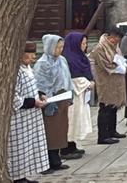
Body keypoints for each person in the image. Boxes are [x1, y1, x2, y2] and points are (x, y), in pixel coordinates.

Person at [8, 41, 50, 183]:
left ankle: (24, 174)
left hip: (30, 116)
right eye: (29, 55)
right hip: (19, 116)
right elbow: (13, 95)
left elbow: (31, 87)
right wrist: (32, 102)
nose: (32, 57)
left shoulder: (27, 68)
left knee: (28, 146)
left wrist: (40, 94)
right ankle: (17, 177)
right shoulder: (15, 71)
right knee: (18, 147)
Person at [33, 35, 72, 173]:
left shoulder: (62, 60)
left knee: (60, 131)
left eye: (62, 47)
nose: (60, 50)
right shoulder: (42, 64)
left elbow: (67, 78)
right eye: (57, 47)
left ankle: (56, 161)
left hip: (62, 98)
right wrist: (47, 95)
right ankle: (46, 164)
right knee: (49, 133)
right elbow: (39, 84)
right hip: (49, 102)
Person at [89, 29, 127, 145]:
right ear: (111, 38)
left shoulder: (115, 47)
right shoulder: (99, 48)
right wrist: (121, 68)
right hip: (106, 81)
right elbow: (106, 65)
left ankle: (112, 130)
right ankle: (103, 135)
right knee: (105, 107)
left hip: (116, 82)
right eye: (116, 41)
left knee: (114, 107)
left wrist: (123, 64)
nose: (116, 43)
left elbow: (120, 59)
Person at [60, 32, 93, 158]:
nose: (84, 46)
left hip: (82, 93)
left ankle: (73, 145)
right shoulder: (69, 59)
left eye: (85, 43)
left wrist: (90, 81)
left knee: (78, 118)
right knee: (71, 119)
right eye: (82, 44)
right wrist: (86, 83)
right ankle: (65, 148)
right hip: (73, 93)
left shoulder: (81, 57)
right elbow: (71, 78)